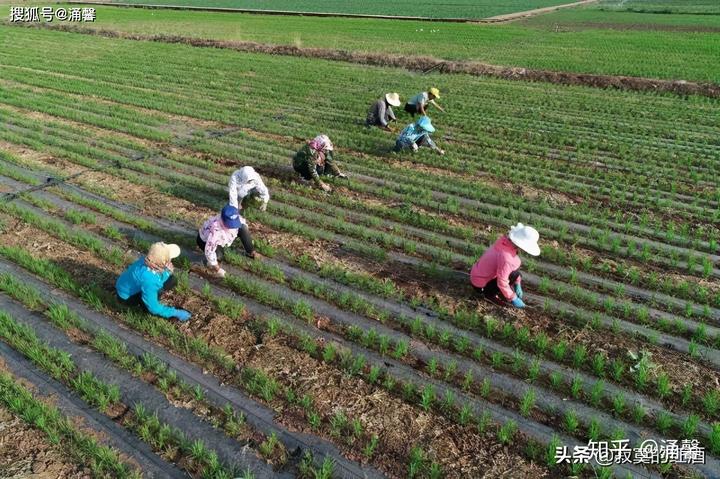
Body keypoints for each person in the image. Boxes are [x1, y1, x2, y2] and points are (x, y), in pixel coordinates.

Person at [470, 223, 541, 309]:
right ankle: (489, 295)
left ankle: (498, 290)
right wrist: (513, 298)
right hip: (480, 285)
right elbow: (502, 282)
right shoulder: (507, 258)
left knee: (515, 274)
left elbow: (511, 269)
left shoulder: (504, 242)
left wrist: (517, 282)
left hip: (477, 274)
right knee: (512, 275)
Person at [115, 242, 191, 321]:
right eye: (169, 259)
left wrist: (167, 272)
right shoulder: (149, 279)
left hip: (126, 285)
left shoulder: (147, 260)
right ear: (163, 263)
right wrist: (175, 313)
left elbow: (157, 275)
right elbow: (154, 308)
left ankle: (150, 296)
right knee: (151, 308)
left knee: (171, 280)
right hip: (127, 298)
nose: (171, 260)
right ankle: (143, 306)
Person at [197, 204, 255, 278]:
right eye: (230, 224)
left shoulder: (234, 216)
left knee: (243, 228)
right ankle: (210, 265)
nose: (233, 226)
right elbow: (209, 251)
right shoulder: (216, 231)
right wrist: (218, 269)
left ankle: (251, 252)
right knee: (219, 256)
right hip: (204, 241)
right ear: (223, 220)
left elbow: (243, 223)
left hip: (223, 237)